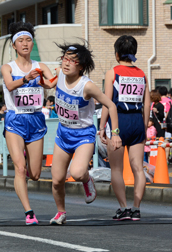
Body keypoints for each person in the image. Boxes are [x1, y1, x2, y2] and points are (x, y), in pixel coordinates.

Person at [50, 43, 121, 225]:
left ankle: (87, 180)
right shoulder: (59, 75)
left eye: (72, 61)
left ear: (81, 66)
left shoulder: (86, 86)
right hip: (63, 133)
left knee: (77, 172)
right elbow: (46, 81)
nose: (67, 63)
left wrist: (114, 133)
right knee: (57, 180)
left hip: (83, 135)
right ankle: (61, 212)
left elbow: (111, 105)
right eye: (65, 58)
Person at [1, 21, 56, 225]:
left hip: (35, 119)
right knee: (20, 168)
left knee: (34, 174)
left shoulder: (40, 66)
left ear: (32, 44)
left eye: (28, 40)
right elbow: (9, 84)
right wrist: (26, 78)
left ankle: (29, 185)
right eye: (21, 40)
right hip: (15, 119)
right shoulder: (8, 67)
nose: (25, 43)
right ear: (14, 45)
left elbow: (51, 83)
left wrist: (63, 71)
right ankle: (29, 212)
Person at [99, 35, 150, 221]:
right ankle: (136, 208)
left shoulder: (113, 72)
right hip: (137, 121)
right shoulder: (142, 74)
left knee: (116, 169)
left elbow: (107, 102)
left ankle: (123, 208)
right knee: (138, 168)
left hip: (118, 122)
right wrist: (143, 127)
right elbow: (147, 102)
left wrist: (102, 126)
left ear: (117, 53)